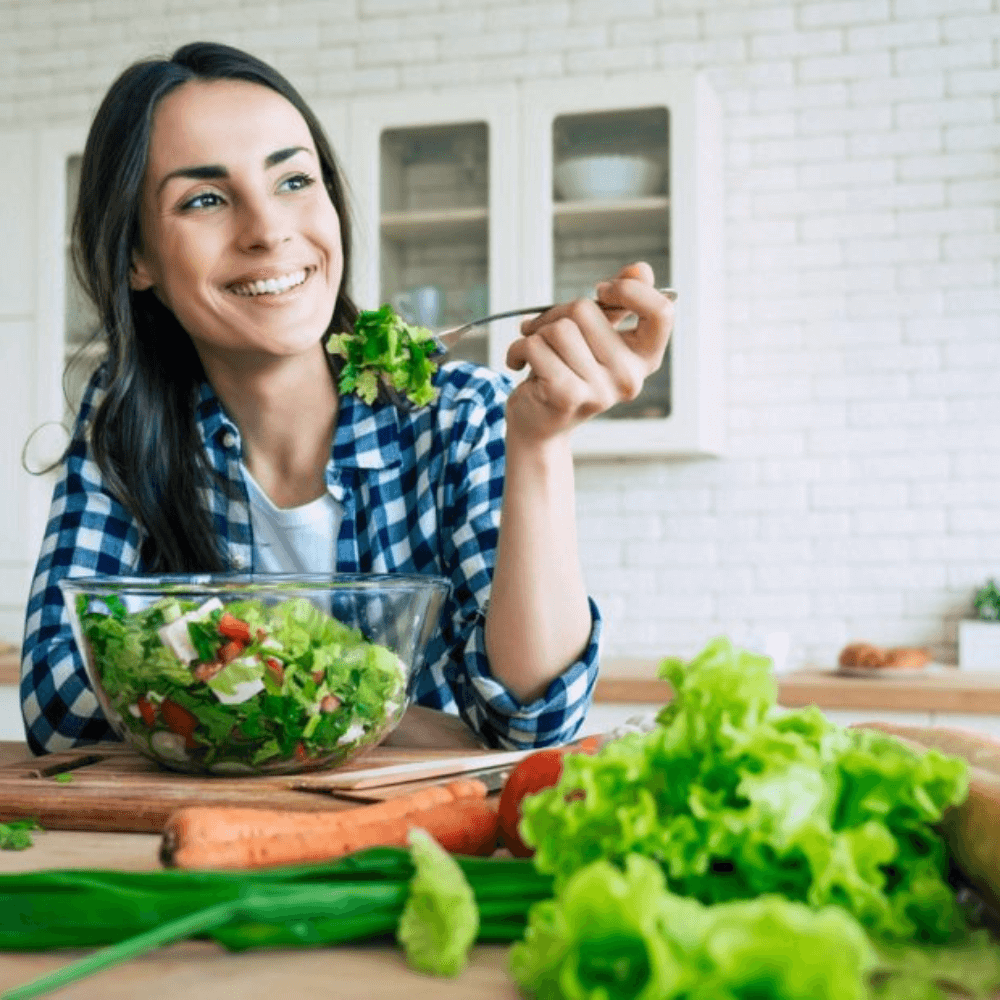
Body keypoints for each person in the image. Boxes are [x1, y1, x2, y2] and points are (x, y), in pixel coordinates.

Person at [20, 42, 674, 756]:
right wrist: (386, 714)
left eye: (294, 181)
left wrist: (542, 443)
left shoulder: (459, 415)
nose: (268, 230)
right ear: (137, 258)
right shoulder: (123, 428)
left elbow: (529, 723)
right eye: (205, 199)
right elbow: (60, 705)